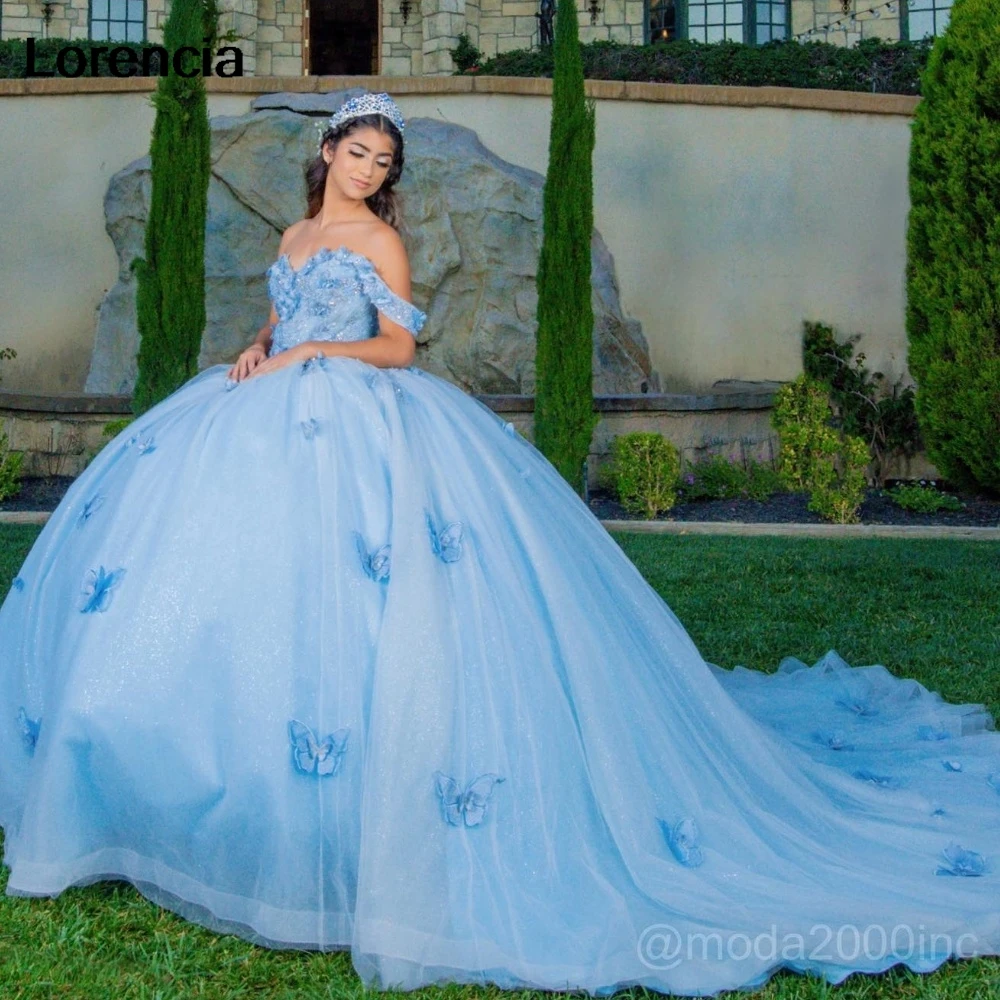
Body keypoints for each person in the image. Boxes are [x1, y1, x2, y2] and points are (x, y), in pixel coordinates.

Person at [1, 91, 998, 997]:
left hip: (359, 414)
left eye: (384, 160)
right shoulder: (299, 230)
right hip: (265, 406)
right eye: (358, 153)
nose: (370, 170)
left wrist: (314, 352)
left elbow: (397, 346)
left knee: (373, 590)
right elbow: (283, 306)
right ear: (329, 151)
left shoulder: (383, 247)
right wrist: (261, 346)